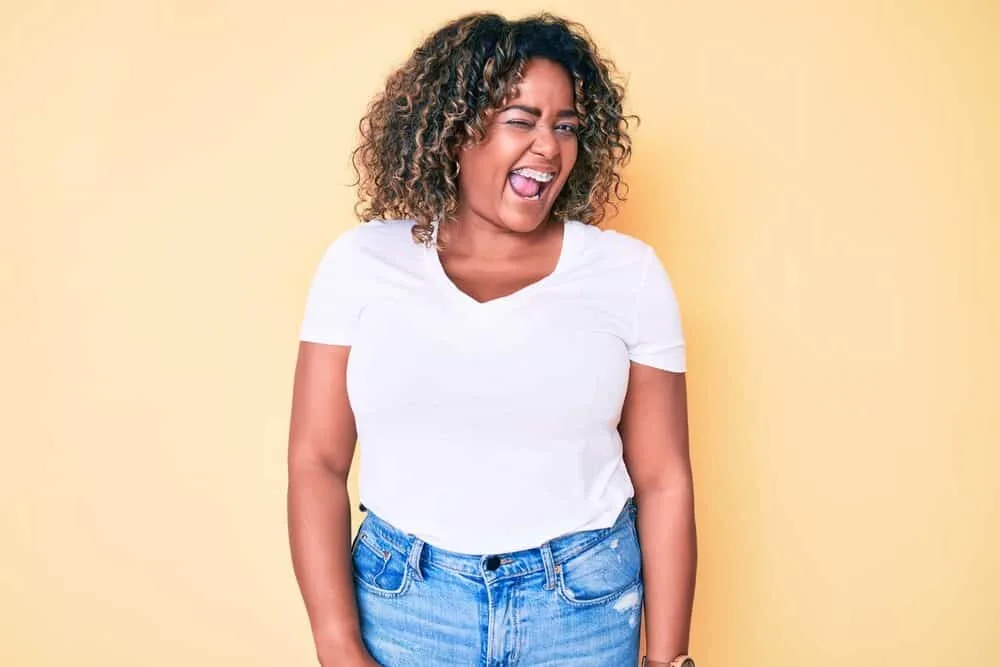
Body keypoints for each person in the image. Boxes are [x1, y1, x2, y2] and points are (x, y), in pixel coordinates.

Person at [287, 12, 697, 667]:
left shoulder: (628, 273)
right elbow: (316, 461)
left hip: (582, 610)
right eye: (521, 120)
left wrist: (668, 657)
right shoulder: (361, 263)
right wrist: (336, 642)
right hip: (404, 605)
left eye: (565, 126)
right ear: (455, 132)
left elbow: (664, 477)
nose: (549, 147)